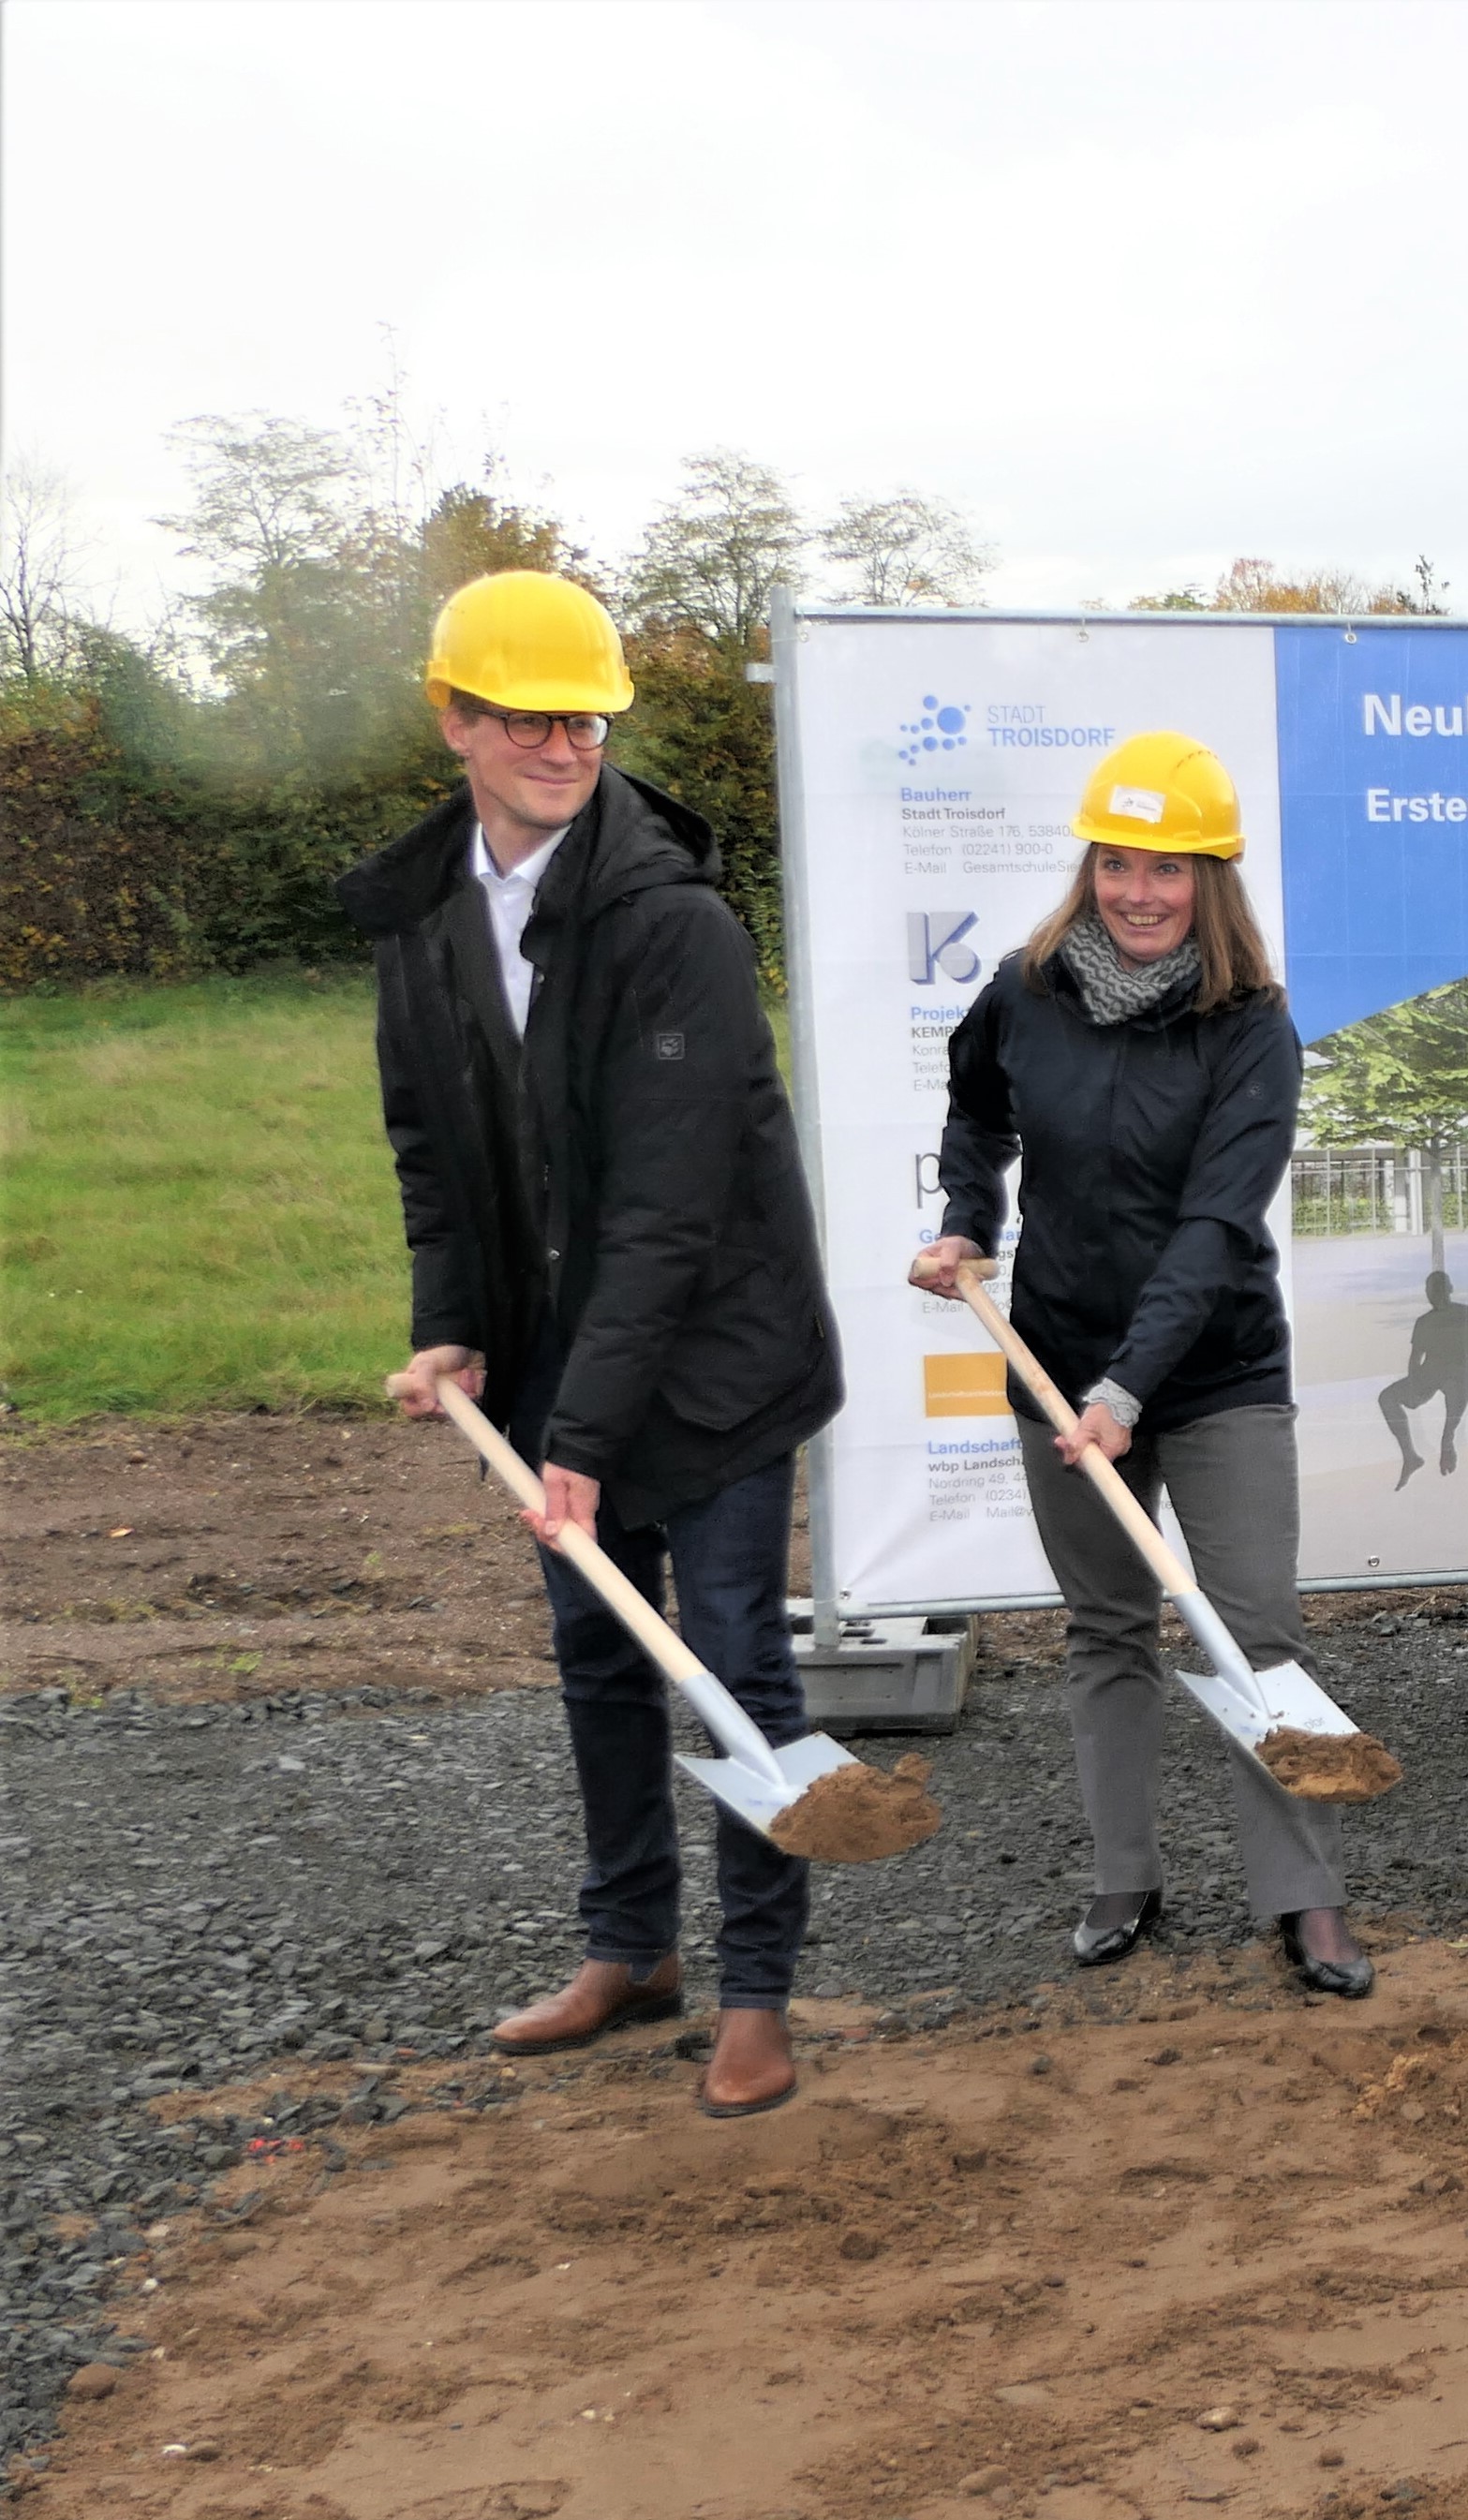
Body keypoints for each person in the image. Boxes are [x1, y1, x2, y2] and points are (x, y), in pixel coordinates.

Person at [351, 571, 841, 2119]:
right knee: (597, 1656)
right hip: (561, 1351)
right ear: (457, 720)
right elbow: (434, 1146)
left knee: (737, 1663)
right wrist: (454, 1329)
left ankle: (757, 1990)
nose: (565, 743)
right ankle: (631, 1946)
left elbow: (670, 1202)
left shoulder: (667, 920)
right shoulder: (424, 918)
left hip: (716, 1353)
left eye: (586, 716)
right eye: (529, 715)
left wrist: (583, 1435)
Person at [910, 731, 1371, 1994]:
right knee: (1106, 1625)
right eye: (1118, 862)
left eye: (1169, 868)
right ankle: (1125, 1870)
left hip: (1213, 1369)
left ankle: (1305, 1895)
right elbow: (974, 1106)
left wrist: (1133, 1390)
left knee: (1256, 1632)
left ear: (1209, 879)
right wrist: (968, 1220)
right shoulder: (1025, 988)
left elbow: (1220, 1224)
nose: (1139, 890)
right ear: (1092, 867)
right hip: (1055, 1361)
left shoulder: (1253, 1029)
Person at [1380, 1268, 1468, 1486]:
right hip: (1432, 1373)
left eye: (1437, 1289)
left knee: (1456, 1388)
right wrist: (1414, 1384)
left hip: (1457, 1371)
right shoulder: (1425, 1322)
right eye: (1431, 1290)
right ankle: (1410, 1456)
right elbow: (1415, 1359)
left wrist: (1438, 1366)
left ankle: (1447, 1441)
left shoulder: (1465, 1313)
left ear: (1449, 1290)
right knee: (1387, 1397)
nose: (1434, 1294)